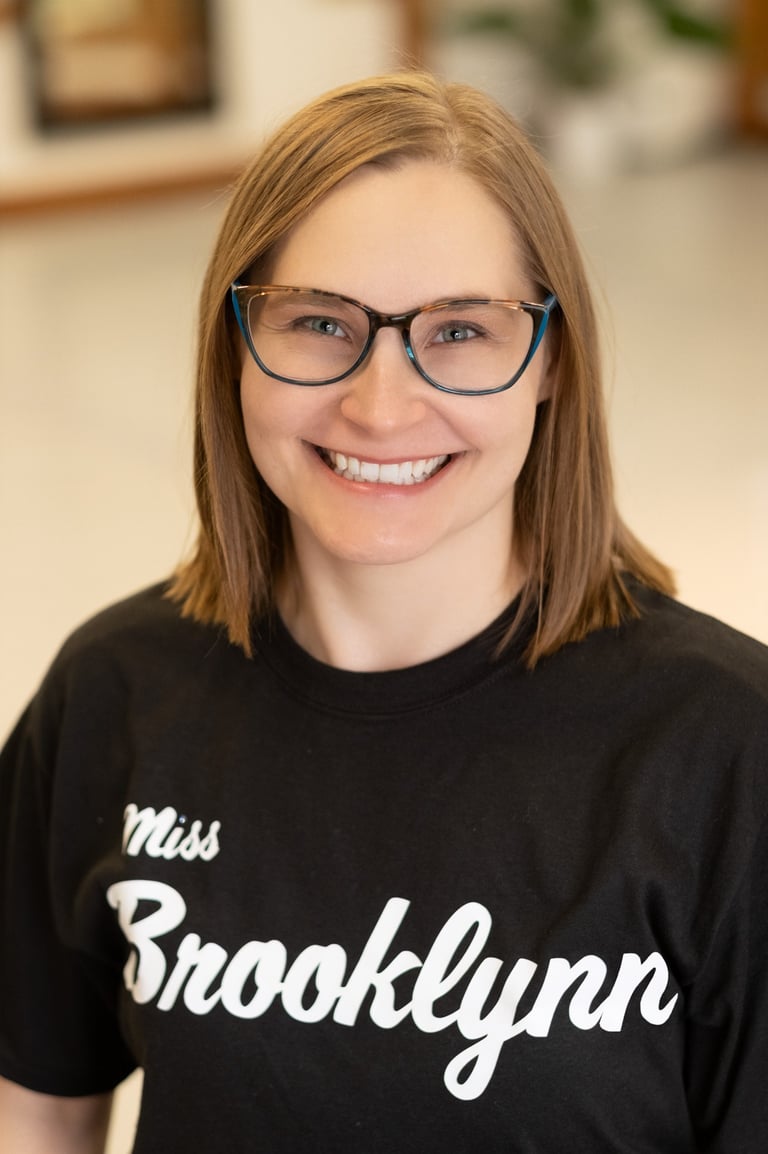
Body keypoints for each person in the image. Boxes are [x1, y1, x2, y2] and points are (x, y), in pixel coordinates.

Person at [0, 71, 766, 1154]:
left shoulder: (724, 748)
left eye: (459, 331)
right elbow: (33, 1102)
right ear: (234, 344)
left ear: (551, 359)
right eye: (320, 322)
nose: (382, 404)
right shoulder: (115, 692)